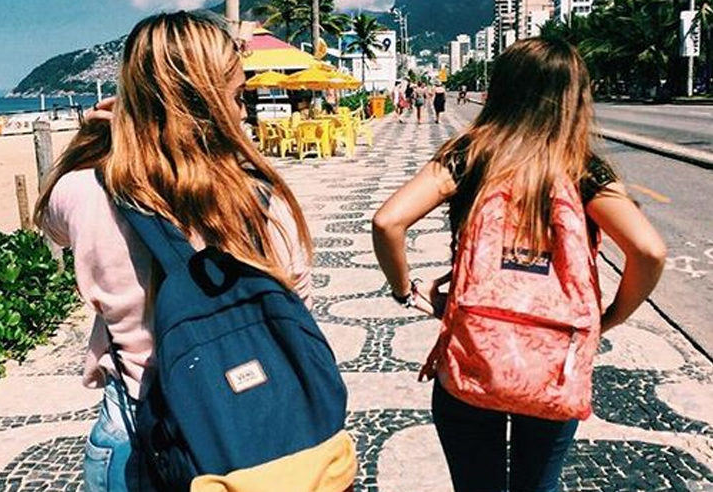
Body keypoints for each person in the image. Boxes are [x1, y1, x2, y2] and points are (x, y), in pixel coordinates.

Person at [35, 11, 354, 492]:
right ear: (205, 103)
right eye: (237, 96)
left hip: (138, 433)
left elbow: (49, 223)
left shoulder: (85, 193)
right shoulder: (261, 200)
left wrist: (96, 135)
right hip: (260, 431)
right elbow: (297, 306)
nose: (243, 112)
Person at [371, 38, 666, 492]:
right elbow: (648, 251)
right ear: (573, 98)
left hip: (473, 357)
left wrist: (405, 291)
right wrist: (608, 318)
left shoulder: (469, 155)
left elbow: (388, 221)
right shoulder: (583, 168)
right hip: (553, 362)